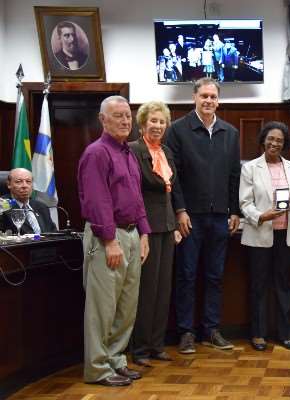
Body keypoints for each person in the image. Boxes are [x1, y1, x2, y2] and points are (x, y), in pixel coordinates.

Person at [77, 95, 150, 386]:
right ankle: (97, 368)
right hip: (108, 236)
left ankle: (116, 360)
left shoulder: (129, 153)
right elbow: (97, 201)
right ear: (103, 119)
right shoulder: (96, 153)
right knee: (102, 308)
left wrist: (144, 232)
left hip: (131, 235)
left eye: (128, 116)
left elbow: (137, 197)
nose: (124, 121)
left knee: (125, 306)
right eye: (118, 115)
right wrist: (110, 241)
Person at [166, 77, 241, 354]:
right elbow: (172, 176)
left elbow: (235, 175)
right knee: (186, 274)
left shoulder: (230, 132)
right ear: (194, 98)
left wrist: (235, 211)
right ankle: (186, 331)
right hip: (190, 217)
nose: (208, 101)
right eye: (204, 96)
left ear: (218, 101)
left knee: (215, 275)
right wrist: (180, 210)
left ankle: (210, 329)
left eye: (213, 97)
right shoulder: (178, 130)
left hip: (220, 216)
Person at [239, 121, 290, 351]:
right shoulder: (250, 168)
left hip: (286, 234)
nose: (274, 143)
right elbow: (244, 203)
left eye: (279, 140)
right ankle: (258, 333)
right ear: (263, 140)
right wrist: (262, 216)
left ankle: (286, 333)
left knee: (284, 284)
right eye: (271, 139)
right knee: (259, 285)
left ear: (285, 144)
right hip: (259, 233)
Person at [128, 101, 180, 367]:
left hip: (166, 228)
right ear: (142, 124)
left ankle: (157, 344)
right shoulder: (133, 151)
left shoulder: (167, 152)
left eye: (162, 122)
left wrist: (174, 224)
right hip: (146, 228)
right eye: (153, 121)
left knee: (163, 289)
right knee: (146, 290)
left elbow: (171, 192)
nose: (158, 126)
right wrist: (142, 231)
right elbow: (138, 192)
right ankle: (140, 349)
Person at [0, 168, 57, 234]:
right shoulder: (3, 207)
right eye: (19, 182)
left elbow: (53, 233)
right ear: (9, 185)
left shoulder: (42, 207)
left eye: (28, 181)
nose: (24, 186)